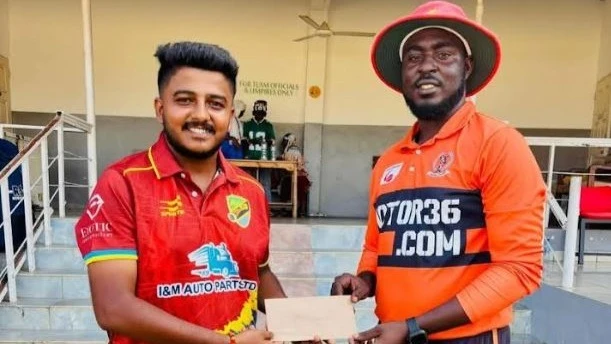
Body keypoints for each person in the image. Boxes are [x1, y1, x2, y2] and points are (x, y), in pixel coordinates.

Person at [73, 41, 317, 344]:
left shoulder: (251, 191)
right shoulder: (122, 184)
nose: (201, 115)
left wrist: (301, 326)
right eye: (185, 100)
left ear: (229, 115)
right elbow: (113, 308)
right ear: (160, 109)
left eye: (215, 104)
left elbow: (259, 273)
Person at [331, 2, 546, 344]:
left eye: (444, 54)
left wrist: (415, 326)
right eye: (414, 58)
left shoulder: (499, 143)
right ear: (403, 73)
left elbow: (519, 269)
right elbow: (377, 245)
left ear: (467, 67)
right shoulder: (389, 161)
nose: (426, 66)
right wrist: (364, 280)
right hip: (394, 334)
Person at [243, 100, 276, 201]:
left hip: (264, 157)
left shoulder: (268, 125)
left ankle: (267, 206)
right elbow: (243, 141)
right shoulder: (247, 124)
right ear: (254, 113)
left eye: (261, 114)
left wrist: (262, 141)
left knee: (265, 182)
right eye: (258, 113)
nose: (259, 116)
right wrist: (251, 141)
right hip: (250, 156)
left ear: (264, 114)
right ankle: (249, 206)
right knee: (248, 182)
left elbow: (272, 141)